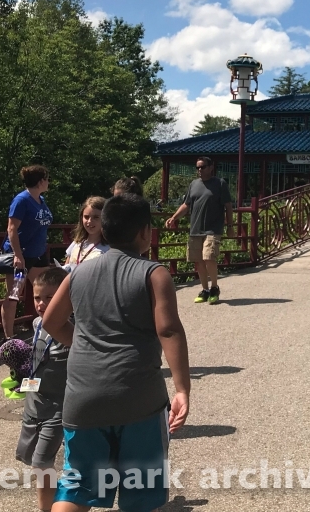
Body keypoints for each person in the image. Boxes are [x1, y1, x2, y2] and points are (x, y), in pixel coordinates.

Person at [43, 193, 190, 512]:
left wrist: (81, 341)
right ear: (144, 232)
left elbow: (51, 322)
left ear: (104, 229)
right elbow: (168, 330)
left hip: (83, 399)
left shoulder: (77, 274)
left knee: (77, 487)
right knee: (141, 493)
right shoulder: (154, 274)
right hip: (139, 400)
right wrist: (182, 389)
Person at [16, 267, 70, 512]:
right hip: (35, 404)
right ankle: (58, 496)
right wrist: (19, 377)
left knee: (40, 461)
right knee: (29, 456)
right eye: (38, 297)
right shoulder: (37, 324)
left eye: (50, 297)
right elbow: (36, 363)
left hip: (60, 407)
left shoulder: (71, 330)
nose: (41, 303)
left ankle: (47, 509)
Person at [165, 156, 234, 305]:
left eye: (202, 167)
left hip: (213, 229)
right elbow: (186, 205)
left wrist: (230, 226)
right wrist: (174, 218)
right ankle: (205, 290)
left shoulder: (220, 184)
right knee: (199, 261)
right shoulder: (193, 184)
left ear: (211, 167)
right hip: (195, 228)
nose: (199, 170)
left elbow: (228, 206)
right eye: (197, 167)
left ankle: (215, 287)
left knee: (209, 257)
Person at [1, 165, 55, 340]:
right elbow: (12, 228)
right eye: (46, 179)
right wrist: (17, 255)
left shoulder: (41, 199)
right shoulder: (22, 200)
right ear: (40, 181)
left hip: (38, 255)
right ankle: (8, 339)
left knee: (48, 292)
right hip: (22, 257)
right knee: (14, 294)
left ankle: (49, 331)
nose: (48, 182)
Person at [63, 197, 109, 273]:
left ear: (105, 218)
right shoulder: (77, 242)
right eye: (86, 217)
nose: (90, 221)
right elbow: (66, 267)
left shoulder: (109, 247)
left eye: (96, 217)